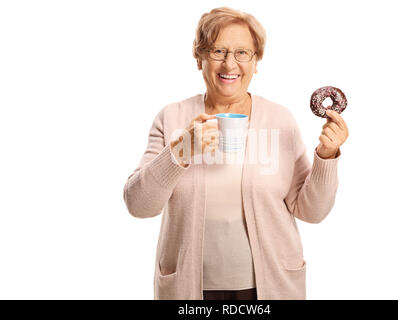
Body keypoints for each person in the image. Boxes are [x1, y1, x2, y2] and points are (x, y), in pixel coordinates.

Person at [123, 7, 349, 300]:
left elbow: (312, 211)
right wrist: (180, 152)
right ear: (199, 58)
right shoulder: (172, 118)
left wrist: (327, 156)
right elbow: (139, 206)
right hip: (189, 292)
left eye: (243, 52)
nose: (230, 64)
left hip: (271, 289)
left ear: (256, 62)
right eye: (218, 51)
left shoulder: (281, 121)